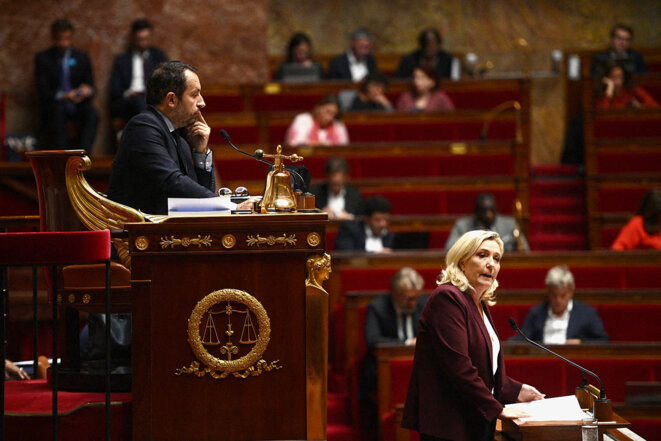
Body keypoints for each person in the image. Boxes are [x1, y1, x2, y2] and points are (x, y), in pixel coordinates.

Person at [402, 230, 544, 441]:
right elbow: (459, 368)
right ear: (461, 262)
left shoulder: (478, 303)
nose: (491, 264)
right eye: (482, 255)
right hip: (449, 426)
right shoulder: (447, 298)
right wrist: (498, 410)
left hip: (471, 421)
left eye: (497, 258)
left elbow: (485, 368)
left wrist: (517, 391)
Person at [108, 61, 217, 215]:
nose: (202, 103)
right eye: (194, 95)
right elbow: (172, 182)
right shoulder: (142, 127)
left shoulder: (179, 138)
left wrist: (201, 152)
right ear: (171, 99)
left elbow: (199, 198)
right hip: (135, 234)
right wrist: (229, 205)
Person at [361, 267, 427, 427]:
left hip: (420, 364)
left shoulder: (424, 304)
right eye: (407, 299)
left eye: (415, 298)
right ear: (394, 294)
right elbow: (373, 340)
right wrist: (405, 345)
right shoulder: (377, 307)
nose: (413, 303)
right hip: (385, 367)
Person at [34, 19, 99, 152]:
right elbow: (43, 91)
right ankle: (62, 159)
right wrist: (64, 95)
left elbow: (92, 86)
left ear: (72, 37)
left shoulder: (81, 57)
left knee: (92, 113)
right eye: (60, 39)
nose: (64, 43)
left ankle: (84, 157)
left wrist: (87, 91)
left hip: (79, 104)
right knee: (56, 112)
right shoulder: (43, 58)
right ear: (53, 38)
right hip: (56, 105)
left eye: (67, 38)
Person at [512, 266, 609, 344]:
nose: (558, 301)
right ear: (548, 291)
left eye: (563, 295)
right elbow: (522, 339)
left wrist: (581, 343)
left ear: (571, 291)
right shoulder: (536, 313)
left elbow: (603, 341)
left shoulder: (587, 313)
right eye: (554, 295)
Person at [109, 19, 169, 124]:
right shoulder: (122, 60)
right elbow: (114, 89)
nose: (143, 43)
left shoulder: (159, 57)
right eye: (140, 39)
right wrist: (128, 93)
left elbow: (167, 81)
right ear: (133, 38)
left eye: (146, 39)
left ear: (151, 37)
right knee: (140, 102)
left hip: (152, 100)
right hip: (128, 102)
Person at [445, 193, 529, 252]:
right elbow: (450, 248)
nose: (489, 215)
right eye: (484, 211)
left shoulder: (510, 224)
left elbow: (524, 249)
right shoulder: (462, 226)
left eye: (492, 210)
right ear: (476, 211)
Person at [284, 95, 349, 147]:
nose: (329, 118)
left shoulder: (338, 125)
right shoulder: (303, 120)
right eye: (328, 112)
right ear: (319, 108)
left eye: (334, 114)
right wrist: (319, 144)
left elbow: (343, 148)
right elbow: (294, 143)